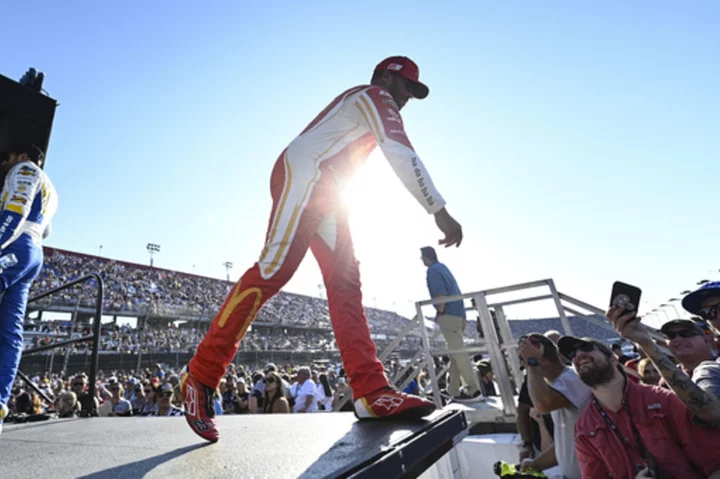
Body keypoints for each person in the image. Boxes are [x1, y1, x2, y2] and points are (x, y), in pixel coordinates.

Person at [181, 56, 463, 442]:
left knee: (346, 282)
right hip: (307, 173)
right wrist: (439, 211)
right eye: (407, 87)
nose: (408, 97)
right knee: (273, 269)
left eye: (414, 92)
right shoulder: (375, 95)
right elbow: (401, 152)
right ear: (385, 77)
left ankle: (369, 391)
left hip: (329, 187)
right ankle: (201, 374)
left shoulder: (373, 103)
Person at [559, 336, 720, 479]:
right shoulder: (584, 428)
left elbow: (715, 463)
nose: (578, 355)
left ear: (614, 359)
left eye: (586, 348)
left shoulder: (663, 400)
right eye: (572, 355)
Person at [0, 143, 57, 432]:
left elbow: (16, 209)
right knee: (11, 331)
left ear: (22, 156)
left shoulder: (25, 169)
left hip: (15, 242)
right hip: (34, 252)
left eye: (7, 159)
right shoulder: (54, 192)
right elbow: (46, 230)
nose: (5, 164)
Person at [518, 333, 590, 479]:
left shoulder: (571, 379)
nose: (523, 367)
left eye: (523, 363)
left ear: (542, 360)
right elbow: (565, 444)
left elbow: (542, 404)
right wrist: (536, 464)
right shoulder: (560, 384)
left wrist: (532, 361)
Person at [421, 246, 482, 401]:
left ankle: (473, 390)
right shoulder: (442, 267)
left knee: (458, 353)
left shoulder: (432, 271)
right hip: (459, 314)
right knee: (454, 353)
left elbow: (441, 293)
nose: (421, 260)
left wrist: (440, 311)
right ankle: (453, 389)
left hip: (449, 314)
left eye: (422, 257)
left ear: (426, 257)